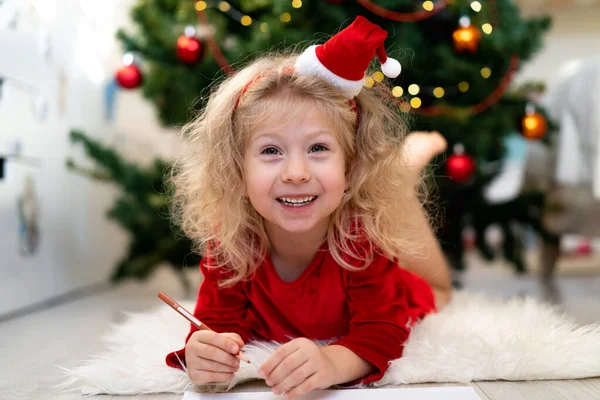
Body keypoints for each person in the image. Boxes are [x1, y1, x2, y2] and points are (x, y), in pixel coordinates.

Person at [166, 16, 451, 398]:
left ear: (351, 166)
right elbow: (216, 323)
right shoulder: (231, 242)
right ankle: (402, 168)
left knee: (437, 286)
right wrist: (204, 354)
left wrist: (332, 361)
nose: (296, 173)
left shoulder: (361, 237)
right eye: (271, 151)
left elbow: (384, 331)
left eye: (318, 148)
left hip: (409, 286)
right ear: (237, 169)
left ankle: (408, 165)